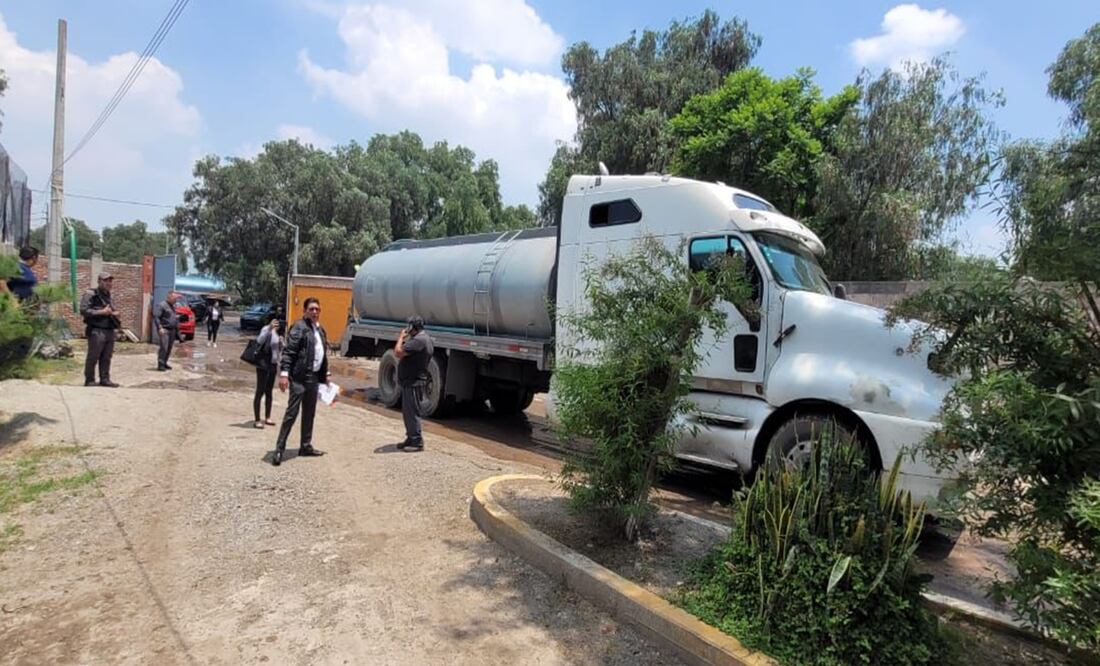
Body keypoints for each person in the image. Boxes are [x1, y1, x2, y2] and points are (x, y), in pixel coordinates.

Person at [271, 297, 329, 466]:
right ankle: (279, 449)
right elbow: (289, 352)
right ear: (305, 311)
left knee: (309, 413)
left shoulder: (320, 331)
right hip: (299, 378)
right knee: (291, 414)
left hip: (314, 378)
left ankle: (305, 446)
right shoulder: (299, 327)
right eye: (311, 309)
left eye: (317, 309)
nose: (315, 312)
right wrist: (283, 374)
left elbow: (322, 354)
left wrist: (327, 374)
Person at [395, 315, 433, 451]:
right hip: (411, 381)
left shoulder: (419, 340)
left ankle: (417, 441)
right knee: (408, 412)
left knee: (412, 412)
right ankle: (411, 438)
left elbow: (398, 352)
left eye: (409, 326)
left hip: (414, 382)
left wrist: (400, 338)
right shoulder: (421, 339)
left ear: (413, 327)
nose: (407, 329)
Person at [79, 273, 120, 387]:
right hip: (96, 330)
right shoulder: (91, 294)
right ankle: (89, 379)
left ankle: (105, 379)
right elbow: (83, 310)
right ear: (99, 281)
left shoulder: (109, 296)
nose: (109, 283)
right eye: (106, 280)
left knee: (107, 356)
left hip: (109, 329)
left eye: (110, 281)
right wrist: (101, 312)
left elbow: (111, 310)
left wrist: (114, 313)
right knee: (93, 356)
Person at [253, 318, 282, 429]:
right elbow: (259, 341)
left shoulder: (278, 333)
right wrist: (269, 328)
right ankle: (257, 419)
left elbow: (278, 350)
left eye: (278, 322)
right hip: (263, 363)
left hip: (273, 364)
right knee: (260, 390)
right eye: (275, 322)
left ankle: (268, 417)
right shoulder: (266, 329)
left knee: (269, 391)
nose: (277, 324)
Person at [153, 292, 180, 371]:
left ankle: (165, 362)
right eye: (174, 299)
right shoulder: (162, 305)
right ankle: (160, 364)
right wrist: (159, 328)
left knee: (169, 347)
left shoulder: (172, 306)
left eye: (176, 299)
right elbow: (157, 317)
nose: (175, 300)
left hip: (172, 330)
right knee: (164, 347)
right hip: (165, 330)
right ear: (169, 297)